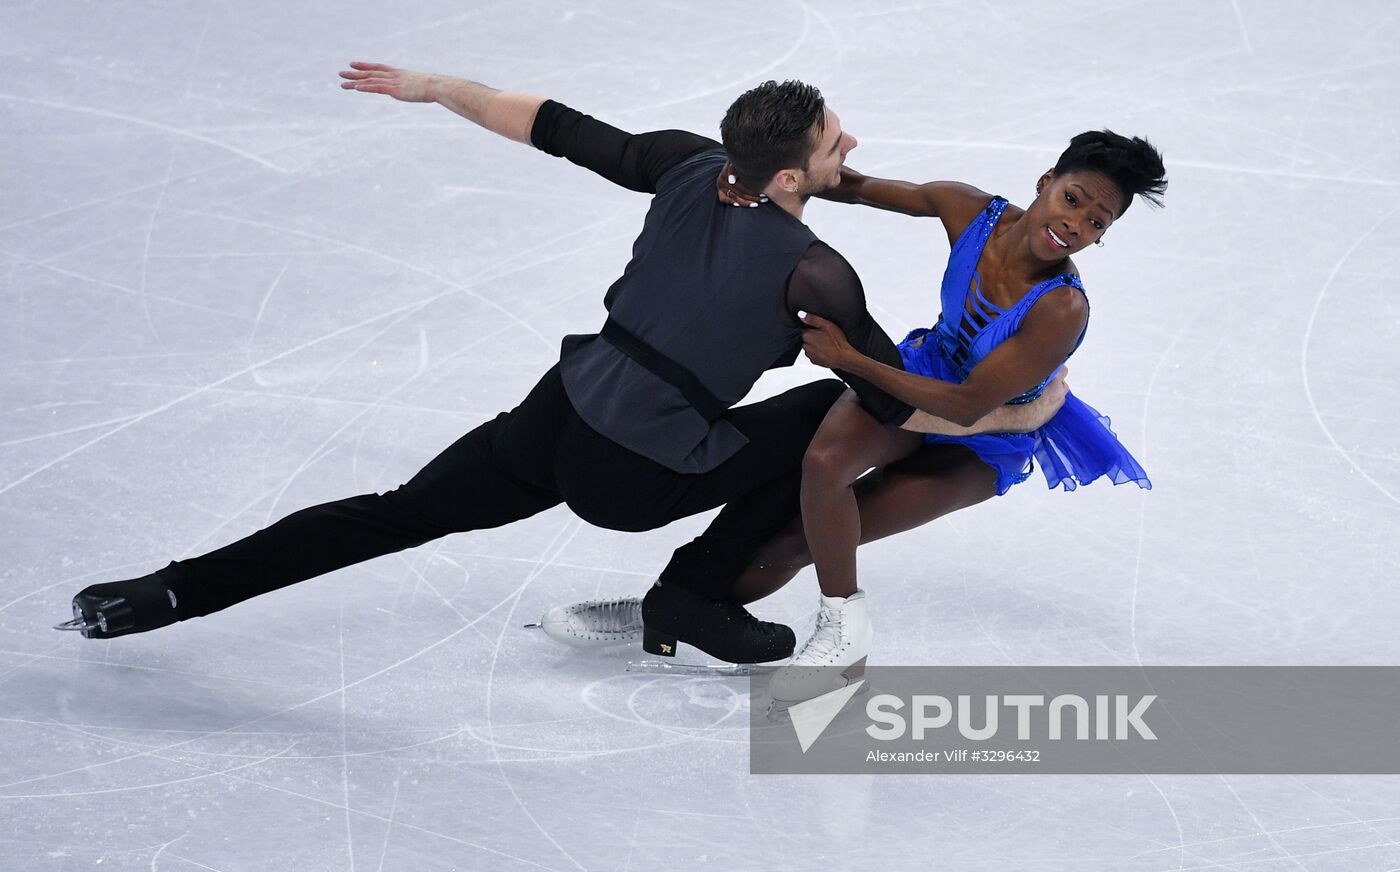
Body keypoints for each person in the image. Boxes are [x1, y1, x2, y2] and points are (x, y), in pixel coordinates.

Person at [56, 63, 1063, 664]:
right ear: (794, 174)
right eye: (838, 141)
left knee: (396, 511)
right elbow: (893, 396)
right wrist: (1015, 418)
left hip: (556, 417)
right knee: (825, 422)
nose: (854, 146)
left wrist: (438, 88)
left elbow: (552, 125)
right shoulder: (817, 272)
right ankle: (695, 594)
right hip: (638, 475)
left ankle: (164, 592)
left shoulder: (686, 164)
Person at [712, 132, 1165, 703]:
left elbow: (968, 406)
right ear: (1046, 181)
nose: (1076, 225)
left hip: (984, 437)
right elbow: (858, 187)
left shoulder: (1061, 309)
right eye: (1072, 200)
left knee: (803, 542)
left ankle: (843, 638)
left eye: (1097, 223)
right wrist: (766, 177)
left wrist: (850, 359)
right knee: (824, 465)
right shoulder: (970, 210)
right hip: (925, 370)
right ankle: (688, 605)